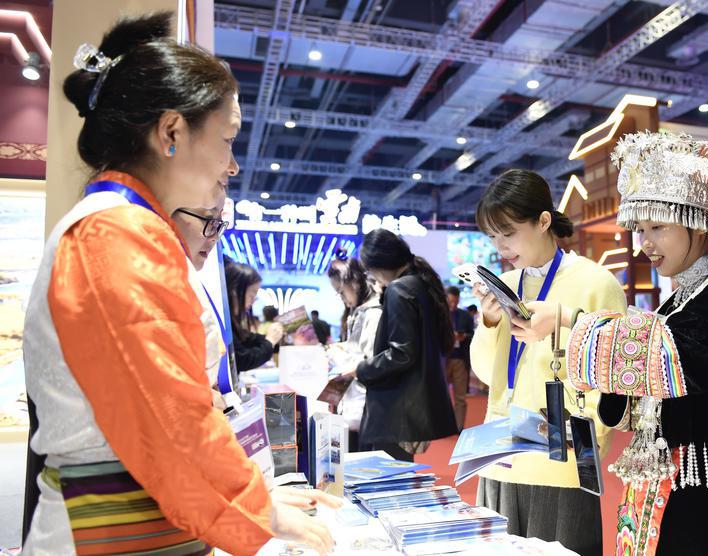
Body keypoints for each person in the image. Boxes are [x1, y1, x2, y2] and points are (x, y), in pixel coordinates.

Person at [21, 13, 336, 554]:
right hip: (114, 530)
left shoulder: (123, 226)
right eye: (228, 140)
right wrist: (259, 509)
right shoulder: (115, 232)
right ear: (171, 132)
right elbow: (171, 415)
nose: (232, 166)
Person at [527, 131, 708, 554]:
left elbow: (668, 359)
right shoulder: (677, 300)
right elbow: (638, 387)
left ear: (700, 224)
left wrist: (570, 319)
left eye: (658, 227)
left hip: (703, 490)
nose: (645, 245)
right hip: (657, 481)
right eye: (640, 229)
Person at [469, 168, 627, 553]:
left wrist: (586, 445)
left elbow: (612, 374)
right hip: (499, 452)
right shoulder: (506, 284)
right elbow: (486, 372)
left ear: (543, 221)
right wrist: (487, 322)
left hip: (561, 459)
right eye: (492, 236)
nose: (500, 246)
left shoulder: (596, 282)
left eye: (508, 233)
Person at [354, 229, 458, 461]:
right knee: (398, 471)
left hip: (396, 407)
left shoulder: (400, 288)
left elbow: (402, 353)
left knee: (388, 474)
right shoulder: (419, 283)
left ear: (378, 266)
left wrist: (361, 369)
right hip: (410, 405)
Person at [171, 197, 230, 408]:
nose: (215, 237)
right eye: (208, 220)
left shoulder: (187, 277)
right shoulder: (155, 275)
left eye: (219, 225)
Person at [327, 257, 383, 449]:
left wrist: (338, 355)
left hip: (366, 402)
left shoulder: (373, 312)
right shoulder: (360, 311)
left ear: (354, 283)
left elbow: (369, 359)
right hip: (358, 400)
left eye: (341, 292)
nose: (342, 298)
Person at [225, 259, 284, 372]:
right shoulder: (223, 323)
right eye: (251, 295)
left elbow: (248, 339)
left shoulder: (231, 322)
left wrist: (274, 338)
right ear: (234, 291)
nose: (253, 301)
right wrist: (270, 341)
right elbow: (242, 359)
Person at [445, 286, 474, 431]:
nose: (453, 305)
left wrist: (463, 336)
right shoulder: (439, 314)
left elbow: (472, 334)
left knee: (460, 397)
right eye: (450, 301)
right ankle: (441, 426)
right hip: (443, 359)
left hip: (460, 359)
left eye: (455, 302)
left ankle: (459, 427)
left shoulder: (465, 316)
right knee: (439, 394)